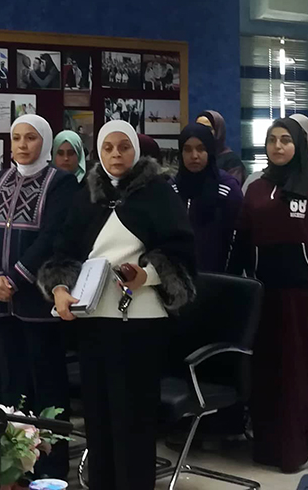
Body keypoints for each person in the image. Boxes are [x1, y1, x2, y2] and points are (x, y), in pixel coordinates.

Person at [39, 121, 195, 490]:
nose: (115, 155)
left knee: (134, 418)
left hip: (141, 319)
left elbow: (182, 253)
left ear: (135, 151)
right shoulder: (87, 195)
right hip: (93, 319)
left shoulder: (159, 194)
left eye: (123, 147)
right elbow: (62, 250)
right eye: (108, 148)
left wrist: (147, 275)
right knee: (98, 417)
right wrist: (59, 288)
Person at [232, 118, 308, 472]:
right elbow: (241, 243)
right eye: (272, 140)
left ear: (298, 145)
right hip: (264, 295)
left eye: (285, 140)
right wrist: (234, 287)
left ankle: (302, 444)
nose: (278, 147)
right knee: (267, 372)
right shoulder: (256, 188)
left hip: (303, 295)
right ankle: (268, 446)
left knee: (299, 372)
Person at [0, 115, 76, 479]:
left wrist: (16, 278)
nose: (22, 145)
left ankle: (52, 469)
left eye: (30, 138)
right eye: (16, 137)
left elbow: (52, 236)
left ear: (44, 142)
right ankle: (15, 466)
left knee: (47, 388)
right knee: (10, 385)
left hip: (37, 301)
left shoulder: (60, 182)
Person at [171, 123, 242, 273]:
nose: (194, 156)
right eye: (187, 149)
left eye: (201, 149)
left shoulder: (227, 188)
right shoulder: (171, 190)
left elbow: (239, 239)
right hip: (179, 278)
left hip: (220, 278)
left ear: (210, 151)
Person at [195, 109, 246, 184]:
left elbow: (232, 188)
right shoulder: (194, 157)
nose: (202, 132)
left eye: (207, 128)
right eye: (198, 128)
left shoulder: (231, 161)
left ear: (218, 131)